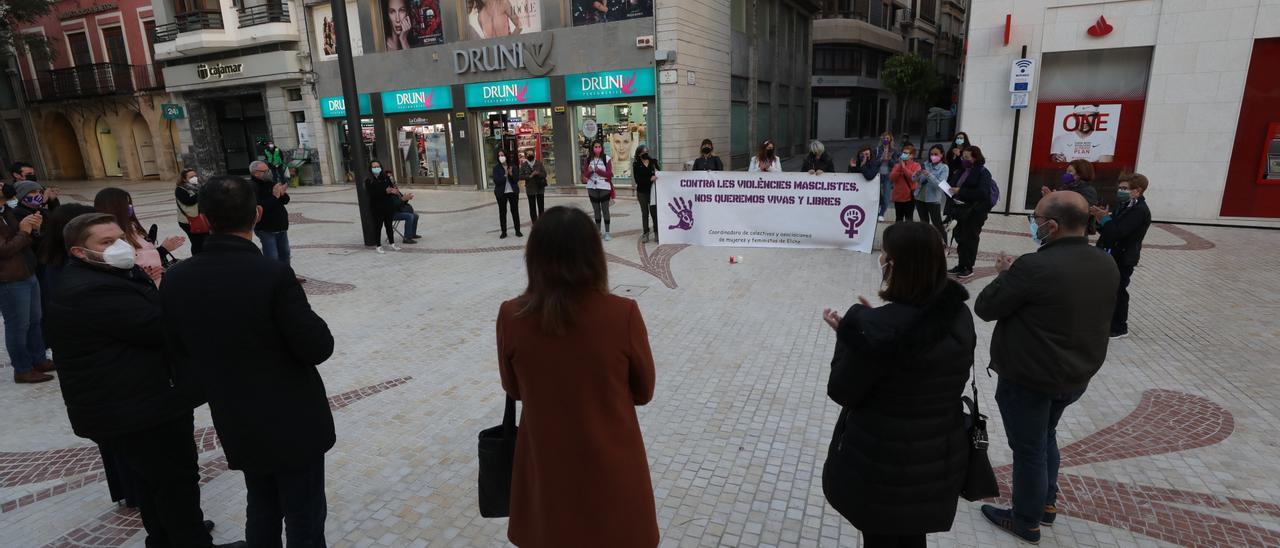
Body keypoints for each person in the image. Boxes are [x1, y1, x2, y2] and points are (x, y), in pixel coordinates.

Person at [46, 212, 244, 548]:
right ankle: (190, 540)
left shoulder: (104, 274)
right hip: (137, 406)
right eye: (106, 242)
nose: (119, 246)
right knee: (174, 478)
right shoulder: (91, 289)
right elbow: (160, 328)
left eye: (119, 237)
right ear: (80, 252)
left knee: (155, 481)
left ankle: (169, 536)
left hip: (135, 400)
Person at [162, 175, 335, 548]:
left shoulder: (176, 279)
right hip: (292, 415)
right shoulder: (271, 274)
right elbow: (316, 346)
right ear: (257, 214)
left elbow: (177, 349)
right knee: (303, 512)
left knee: (262, 503)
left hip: (235, 413)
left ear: (204, 219)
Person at [496, 206, 657, 547]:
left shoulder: (511, 315)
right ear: (594, 257)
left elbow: (514, 389)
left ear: (534, 257)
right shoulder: (622, 314)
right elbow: (643, 392)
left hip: (546, 471)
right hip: (611, 472)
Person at [974, 191, 1119, 545]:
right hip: (1075, 373)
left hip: (1031, 377)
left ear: (1052, 226)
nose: (1033, 223)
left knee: (1029, 450)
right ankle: (1046, 503)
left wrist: (1005, 276)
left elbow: (986, 307)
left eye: (1036, 218)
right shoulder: (1104, 261)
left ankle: (1025, 519)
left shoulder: (1034, 267)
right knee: (1045, 436)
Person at [820, 222, 974, 548]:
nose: (881, 260)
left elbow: (842, 390)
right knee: (908, 534)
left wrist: (850, 338)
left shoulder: (874, 328)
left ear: (896, 265)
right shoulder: (958, 315)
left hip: (883, 462)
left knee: (883, 537)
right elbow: (915, 347)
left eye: (885, 255)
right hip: (934, 456)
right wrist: (876, 328)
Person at [1092, 173, 1152, 339]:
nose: (1120, 191)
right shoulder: (1124, 205)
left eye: (1125, 188)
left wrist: (1105, 220)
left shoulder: (1139, 210)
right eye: (1120, 187)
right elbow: (1108, 232)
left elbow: (1118, 233)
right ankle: (1106, 322)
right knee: (1108, 290)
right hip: (1111, 253)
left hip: (1123, 257)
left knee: (1118, 290)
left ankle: (1119, 327)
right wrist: (1101, 220)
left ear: (1137, 191)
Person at [0, 195, 51, 384]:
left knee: (34, 321)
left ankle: (38, 359)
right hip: (9, 278)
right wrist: (24, 231)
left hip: (27, 271)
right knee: (17, 326)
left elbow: (24, 240)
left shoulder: (6, 211)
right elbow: (4, 250)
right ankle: (22, 368)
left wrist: (33, 229)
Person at [95, 187, 184, 281]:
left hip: (153, 280)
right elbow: (132, 260)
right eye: (126, 204)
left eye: (130, 203)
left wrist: (152, 243)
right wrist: (162, 250)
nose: (130, 207)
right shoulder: (111, 235)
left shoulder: (131, 226)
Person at [948, 146, 995, 279]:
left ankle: (968, 266)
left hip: (974, 212)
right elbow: (953, 183)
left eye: (967, 157)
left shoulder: (983, 172)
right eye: (963, 157)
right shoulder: (962, 170)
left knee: (970, 238)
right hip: (960, 210)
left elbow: (982, 193)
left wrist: (960, 191)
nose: (964, 160)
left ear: (975, 158)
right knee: (960, 237)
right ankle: (961, 264)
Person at [250, 161, 293, 265]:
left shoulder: (271, 183)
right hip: (266, 228)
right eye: (265, 171)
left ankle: (287, 277)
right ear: (256, 173)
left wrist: (282, 194)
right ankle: (274, 279)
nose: (268, 172)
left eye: (268, 170)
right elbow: (260, 208)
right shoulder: (253, 187)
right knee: (272, 257)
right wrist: (275, 196)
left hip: (281, 226)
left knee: (285, 254)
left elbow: (285, 200)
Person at [364, 160, 404, 253]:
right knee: (378, 226)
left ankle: (392, 243)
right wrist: (385, 192)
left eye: (378, 166)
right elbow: (372, 194)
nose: (376, 168)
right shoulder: (368, 180)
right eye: (374, 167)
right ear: (370, 169)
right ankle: (378, 246)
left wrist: (393, 191)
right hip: (376, 207)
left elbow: (391, 188)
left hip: (388, 205)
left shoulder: (386, 178)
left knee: (389, 225)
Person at [913, 145, 949, 239]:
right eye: (931, 154)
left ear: (941, 154)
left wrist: (929, 175)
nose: (933, 156)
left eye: (936, 154)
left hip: (933, 199)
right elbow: (915, 179)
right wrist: (917, 174)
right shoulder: (926, 164)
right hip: (920, 197)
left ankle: (944, 244)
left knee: (937, 223)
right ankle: (926, 242)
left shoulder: (944, 168)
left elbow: (940, 185)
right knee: (924, 223)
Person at [581, 141, 615, 240]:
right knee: (596, 210)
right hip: (592, 187)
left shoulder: (606, 159)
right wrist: (590, 171)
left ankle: (607, 232)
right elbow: (585, 176)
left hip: (604, 186)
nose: (597, 148)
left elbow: (609, 174)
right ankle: (598, 231)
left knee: (605, 210)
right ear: (592, 148)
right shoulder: (588, 160)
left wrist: (598, 170)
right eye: (595, 147)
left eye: (599, 146)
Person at [175, 169, 208, 255]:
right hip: (188, 221)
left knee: (205, 240)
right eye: (191, 177)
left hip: (201, 218)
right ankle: (197, 259)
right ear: (184, 179)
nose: (194, 178)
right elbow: (188, 201)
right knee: (196, 242)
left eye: (195, 176)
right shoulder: (180, 189)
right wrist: (200, 192)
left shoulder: (198, 187)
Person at [632, 144, 660, 243]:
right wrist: (650, 179)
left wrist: (657, 172)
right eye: (643, 153)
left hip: (652, 191)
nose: (645, 154)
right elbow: (637, 180)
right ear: (639, 154)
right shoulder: (636, 164)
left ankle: (657, 232)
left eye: (647, 152)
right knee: (645, 213)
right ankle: (646, 233)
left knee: (654, 213)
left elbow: (659, 173)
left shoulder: (653, 162)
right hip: (642, 192)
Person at [493, 149, 523, 239]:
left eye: (502, 155)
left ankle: (517, 230)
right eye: (499, 156)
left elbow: (516, 179)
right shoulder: (496, 168)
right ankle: (504, 232)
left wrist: (510, 173)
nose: (501, 157)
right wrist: (505, 175)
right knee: (502, 212)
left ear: (506, 156)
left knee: (515, 211)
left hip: (512, 192)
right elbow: (497, 181)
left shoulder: (512, 166)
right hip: (501, 193)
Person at [889, 145, 921, 223]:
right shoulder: (897, 165)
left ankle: (908, 235)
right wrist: (900, 166)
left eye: (906, 153)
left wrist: (904, 168)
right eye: (903, 152)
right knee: (898, 218)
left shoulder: (916, 165)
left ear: (912, 155)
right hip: (898, 197)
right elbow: (892, 178)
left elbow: (914, 178)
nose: (904, 154)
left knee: (909, 219)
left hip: (909, 197)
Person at [873, 133, 898, 222]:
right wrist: (881, 159)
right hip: (878, 175)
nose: (885, 139)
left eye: (887, 138)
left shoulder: (894, 151)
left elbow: (895, 164)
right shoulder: (877, 150)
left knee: (887, 196)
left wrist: (889, 159)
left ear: (890, 140)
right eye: (884, 138)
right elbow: (873, 163)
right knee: (878, 195)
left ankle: (881, 214)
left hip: (888, 175)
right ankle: (878, 210)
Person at [520, 150, 548, 224]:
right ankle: (534, 223)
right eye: (529, 154)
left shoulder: (539, 163)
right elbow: (520, 176)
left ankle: (542, 223)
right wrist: (530, 176)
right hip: (530, 188)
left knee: (541, 206)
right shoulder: (524, 165)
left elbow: (545, 174)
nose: (530, 155)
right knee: (532, 207)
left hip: (540, 187)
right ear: (526, 156)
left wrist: (538, 173)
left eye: (532, 154)